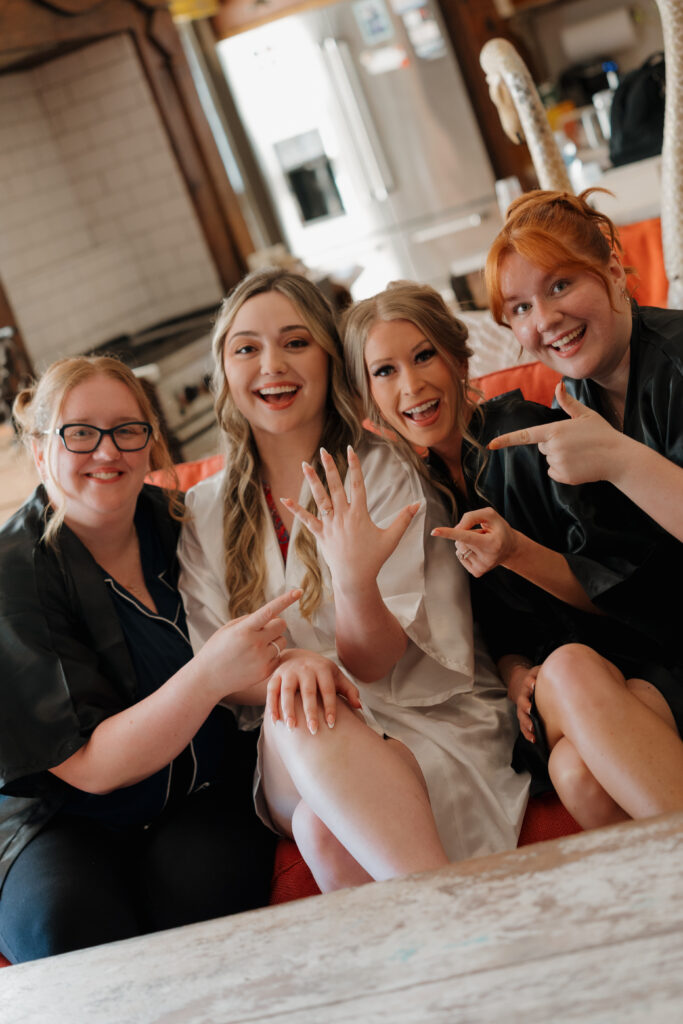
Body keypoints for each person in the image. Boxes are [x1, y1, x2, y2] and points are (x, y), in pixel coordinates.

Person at [178, 268, 528, 892]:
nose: (272, 366)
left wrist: (356, 581)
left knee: (321, 829)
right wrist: (293, 671)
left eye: (295, 342)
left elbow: (372, 663)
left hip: (424, 717)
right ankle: (455, 911)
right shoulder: (202, 510)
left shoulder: (384, 470)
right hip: (292, 749)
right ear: (224, 371)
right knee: (300, 710)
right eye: (247, 348)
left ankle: (429, 959)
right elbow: (221, 674)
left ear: (330, 357)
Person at [0, 355, 300, 964]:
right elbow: (87, 768)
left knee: (202, 901)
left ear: (149, 441)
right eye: (79, 433)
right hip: (61, 818)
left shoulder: (186, 522)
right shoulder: (13, 571)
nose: (106, 451)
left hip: (201, 787)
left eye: (126, 430)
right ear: (40, 451)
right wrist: (210, 672)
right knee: (68, 928)